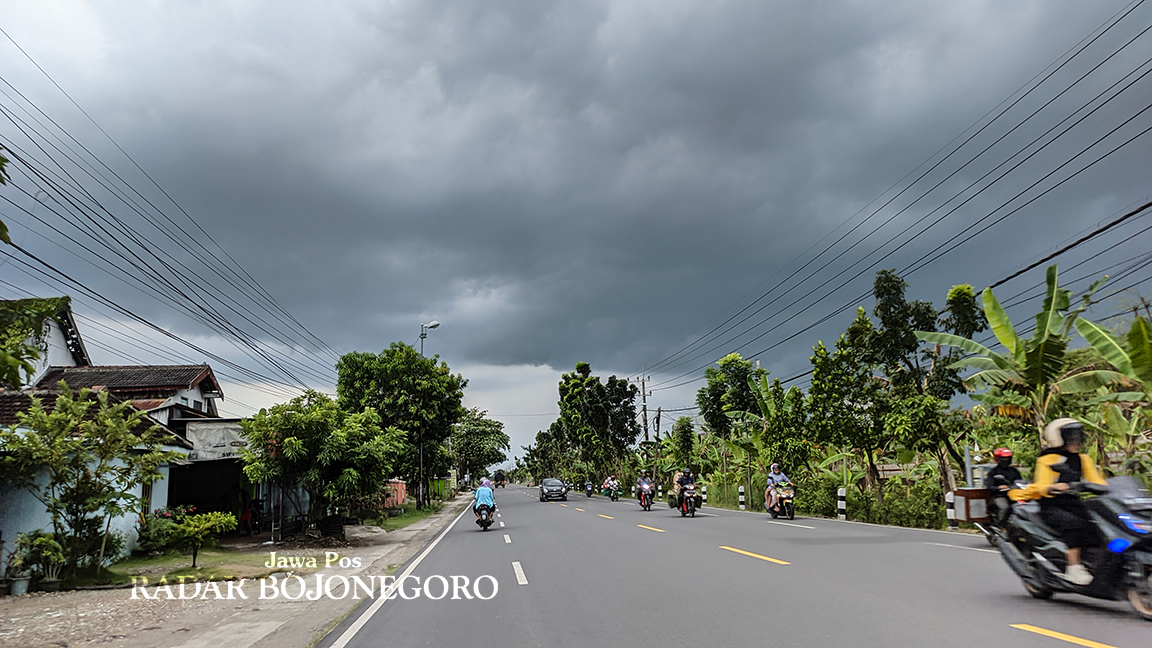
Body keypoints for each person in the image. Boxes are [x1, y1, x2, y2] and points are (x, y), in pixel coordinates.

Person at [1013, 418, 1106, 586]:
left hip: (1075, 503)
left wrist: (1104, 487)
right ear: (1059, 438)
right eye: (1072, 437)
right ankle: (1074, 567)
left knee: (1101, 526)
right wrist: (1053, 487)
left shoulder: (1083, 459)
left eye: (1078, 437)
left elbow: (1096, 480)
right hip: (1051, 505)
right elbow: (1041, 484)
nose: (1076, 441)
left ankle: (1095, 565)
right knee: (1074, 525)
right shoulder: (1048, 459)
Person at [985, 447, 1022, 526]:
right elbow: (989, 486)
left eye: (1008, 458)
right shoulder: (993, 472)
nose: (1006, 460)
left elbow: (1020, 481)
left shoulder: (1014, 471)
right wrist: (999, 488)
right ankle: (1002, 526)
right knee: (1004, 507)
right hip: (1000, 496)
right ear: (998, 459)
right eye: (1003, 458)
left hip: (1014, 494)